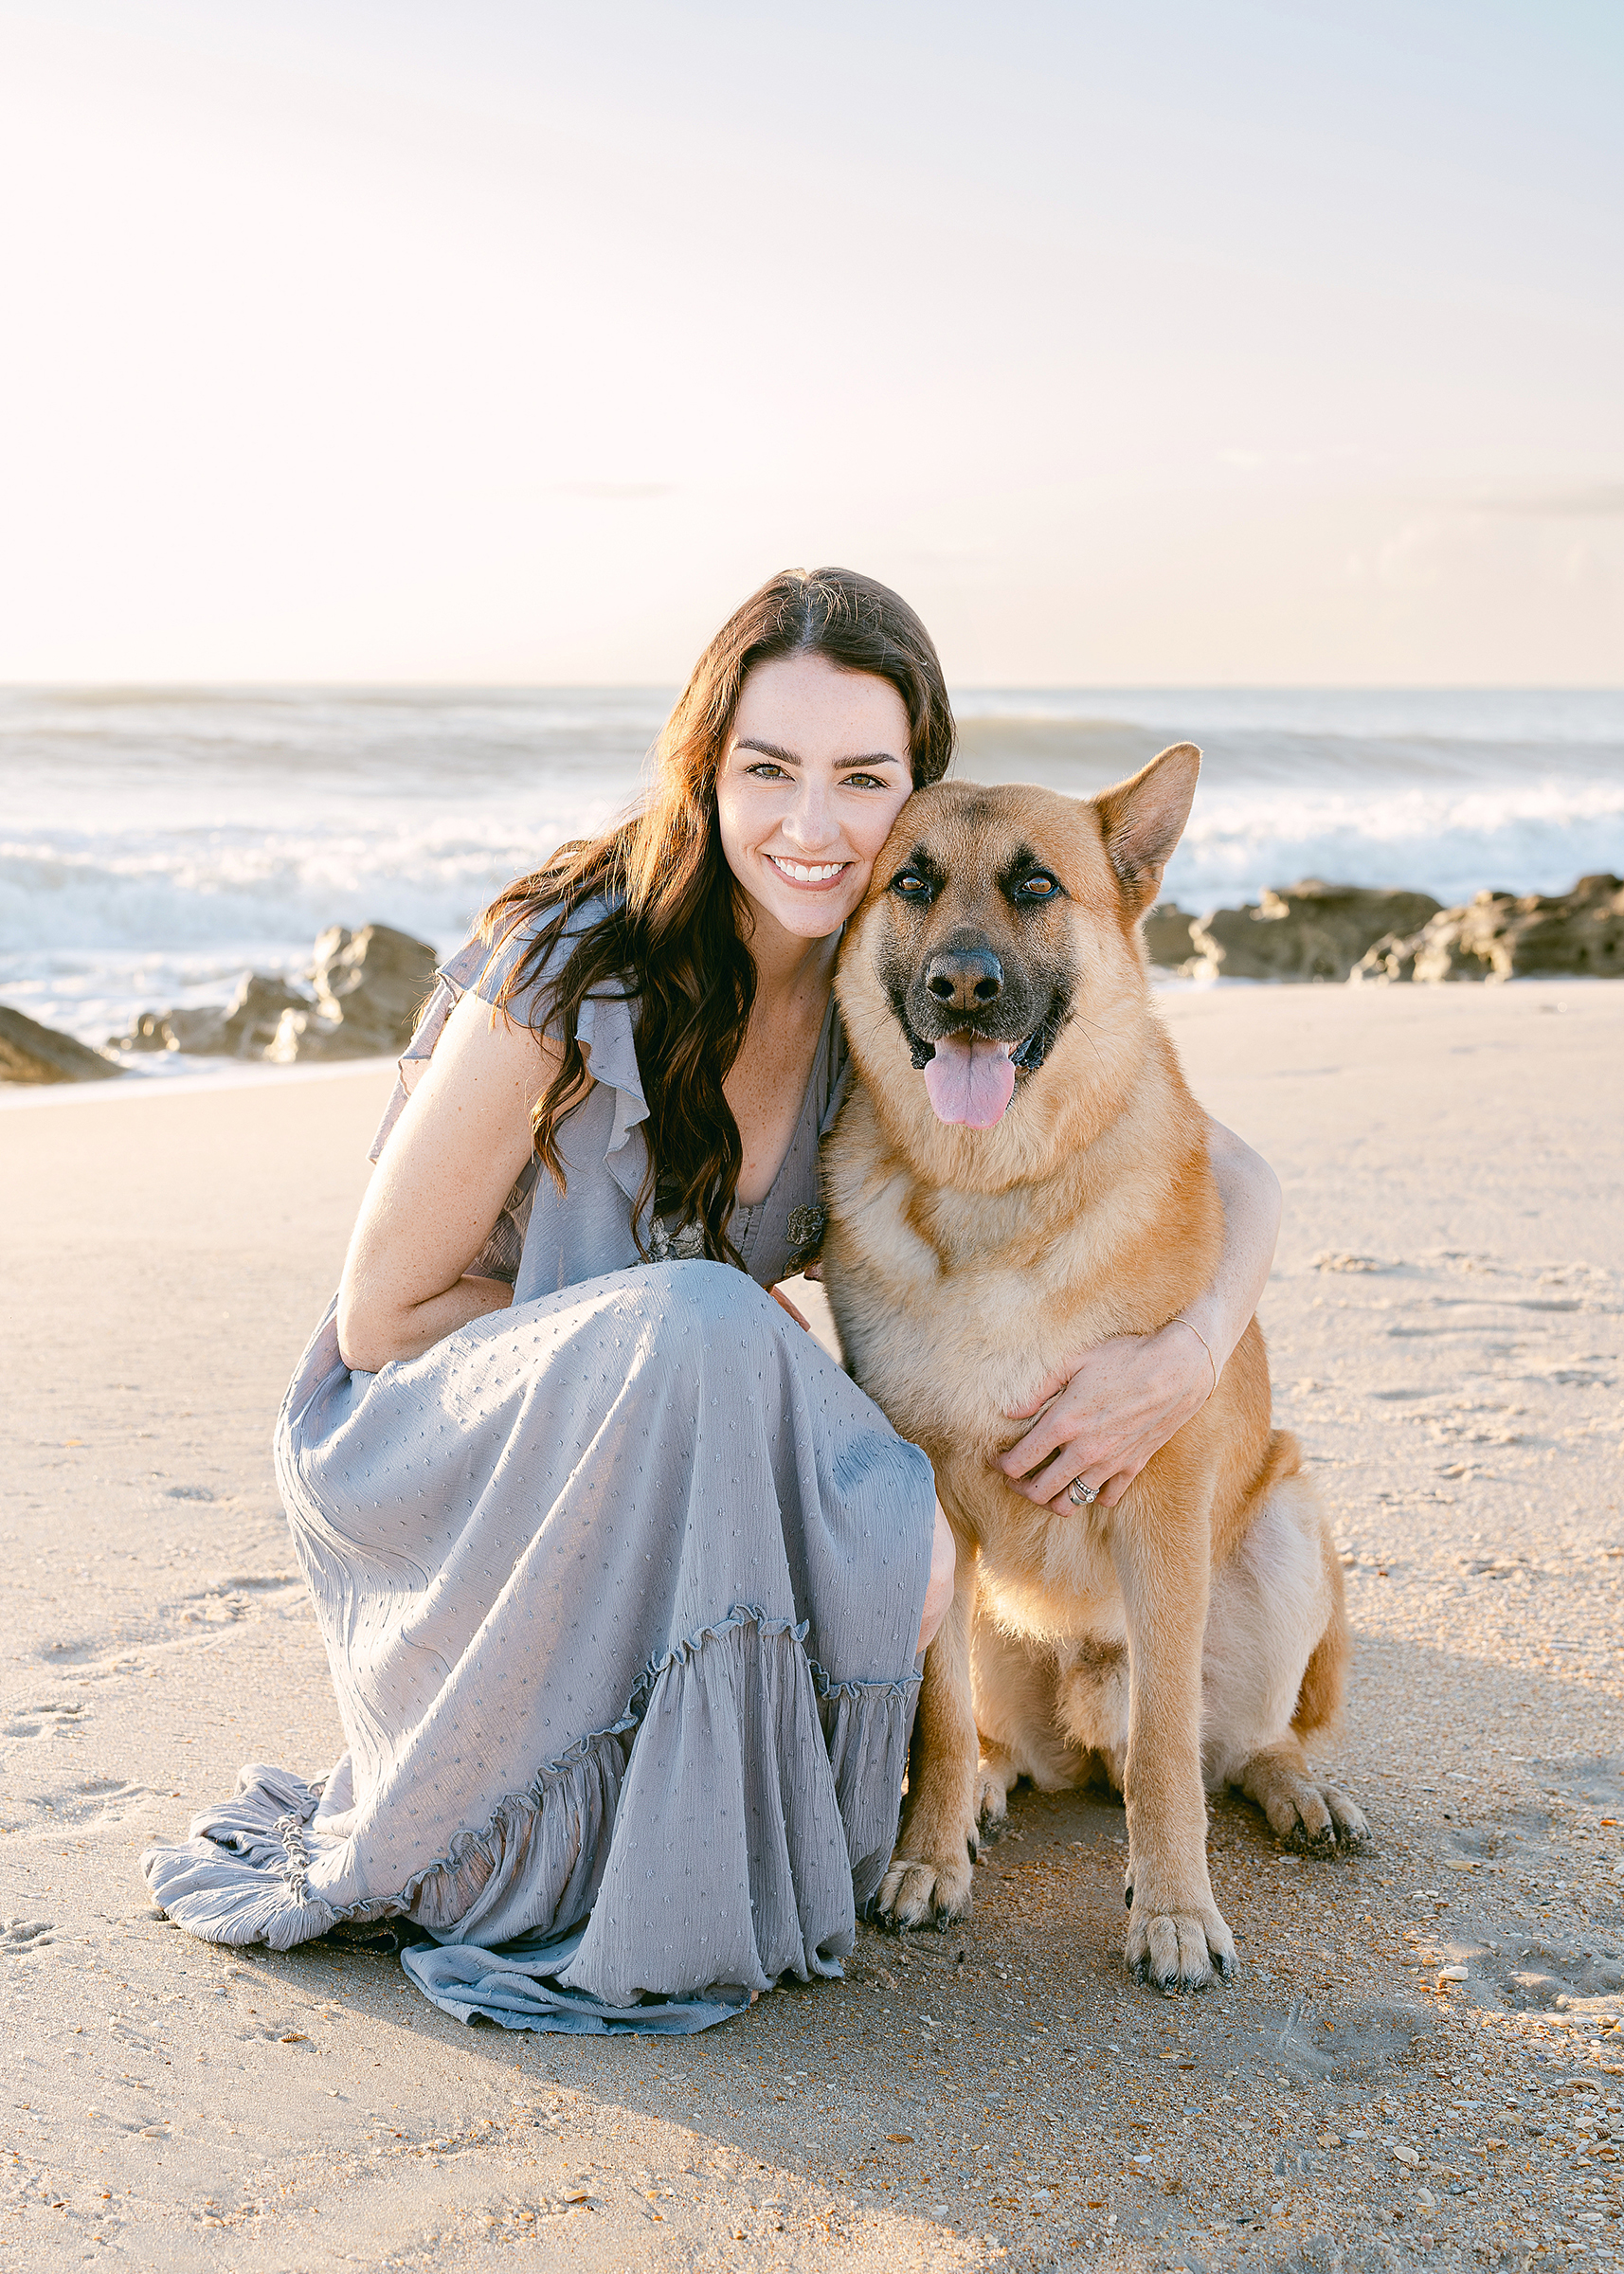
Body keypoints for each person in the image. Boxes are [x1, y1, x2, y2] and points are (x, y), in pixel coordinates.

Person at [142, 568, 1280, 2035]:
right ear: (705, 770)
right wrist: (715, 1375)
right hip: (442, 1457)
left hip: (673, 1472)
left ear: (910, 802)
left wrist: (1189, 1355)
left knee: (779, 1413)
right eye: (767, 769)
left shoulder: (883, 1004)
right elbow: (379, 1318)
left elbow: (1225, 1166)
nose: (812, 824)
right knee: (718, 1334)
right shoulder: (565, 962)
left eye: (860, 779)